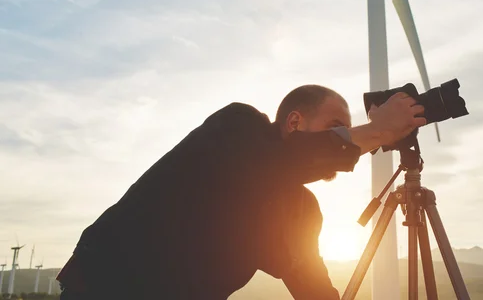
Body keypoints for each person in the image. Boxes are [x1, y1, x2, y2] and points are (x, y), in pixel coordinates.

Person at [56, 84, 426, 300]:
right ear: (294, 121)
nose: (348, 139)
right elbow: (269, 165)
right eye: (335, 127)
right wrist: (377, 130)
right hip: (104, 288)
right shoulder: (237, 127)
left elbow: (311, 283)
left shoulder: (301, 208)